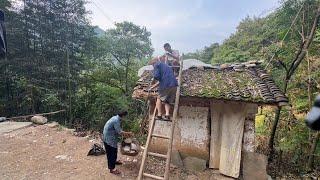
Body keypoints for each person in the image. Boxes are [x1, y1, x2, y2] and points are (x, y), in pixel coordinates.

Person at [102, 111, 133, 175]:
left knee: (113, 151)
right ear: (123, 116)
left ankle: (114, 161)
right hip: (109, 138)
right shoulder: (116, 121)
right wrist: (128, 133)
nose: (126, 118)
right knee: (112, 153)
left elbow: (117, 130)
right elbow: (120, 132)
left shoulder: (115, 118)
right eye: (126, 116)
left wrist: (125, 134)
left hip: (107, 136)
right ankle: (112, 169)